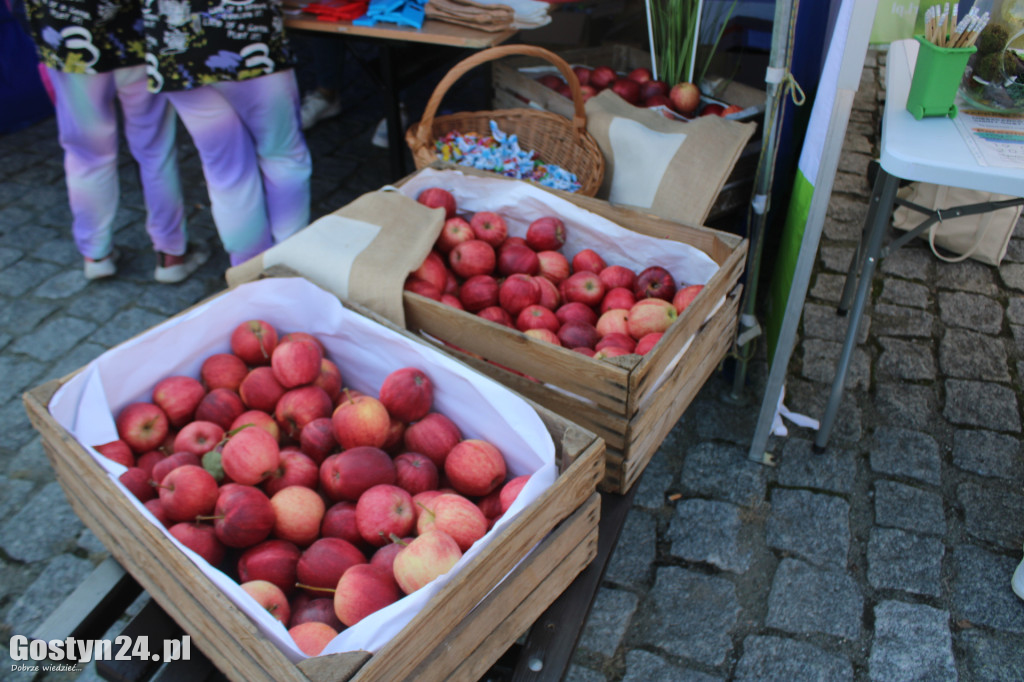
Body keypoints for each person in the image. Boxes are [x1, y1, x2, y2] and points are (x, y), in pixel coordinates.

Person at [20, 0, 207, 282]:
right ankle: (171, 254)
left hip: (69, 40)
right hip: (135, 39)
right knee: (155, 150)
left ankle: (97, 254)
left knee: (88, 157)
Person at [142, 0, 313, 266]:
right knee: (282, 157)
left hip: (176, 51)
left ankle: (248, 271)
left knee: (227, 172)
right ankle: (287, 264)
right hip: (248, 42)